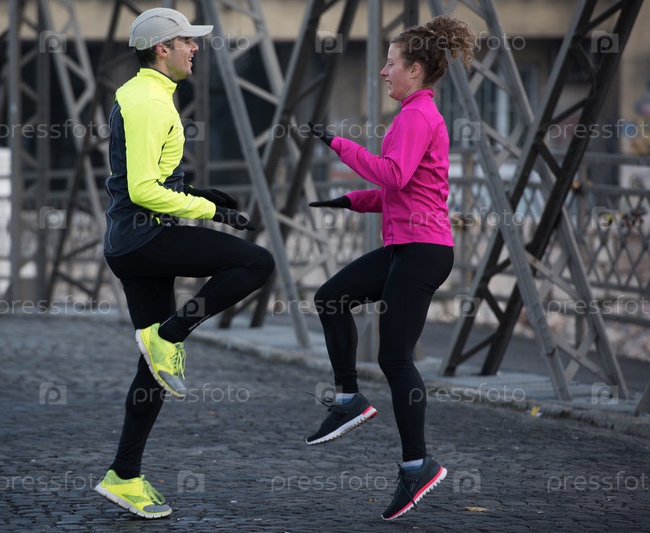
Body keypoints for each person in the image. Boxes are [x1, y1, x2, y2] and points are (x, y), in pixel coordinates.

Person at [94, 7, 275, 519]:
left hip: (132, 243)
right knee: (256, 263)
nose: (196, 48)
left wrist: (195, 191)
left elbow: (146, 175)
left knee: (151, 371)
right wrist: (210, 211)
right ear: (162, 49)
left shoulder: (141, 93)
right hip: (145, 239)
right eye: (187, 42)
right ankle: (169, 335)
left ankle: (124, 475)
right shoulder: (151, 102)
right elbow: (141, 188)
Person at [304, 15, 474, 521]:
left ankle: (417, 464)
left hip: (423, 249)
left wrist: (339, 144)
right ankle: (348, 398)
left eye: (391, 63)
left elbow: (395, 175)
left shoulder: (418, 115)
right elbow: (401, 191)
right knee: (330, 298)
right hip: (409, 245)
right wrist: (349, 201)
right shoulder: (412, 115)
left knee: (395, 358)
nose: (383, 72)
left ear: (415, 70)